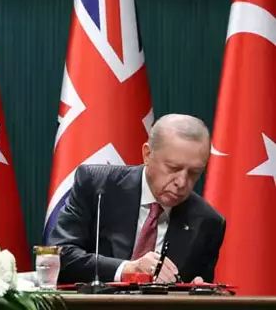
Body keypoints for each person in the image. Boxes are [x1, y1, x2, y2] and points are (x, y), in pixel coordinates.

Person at [49, 113, 226, 285]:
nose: (182, 182)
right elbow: (58, 257)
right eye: (173, 168)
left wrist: (196, 289)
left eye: (194, 173)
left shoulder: (207, 222)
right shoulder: (97, 187)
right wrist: (127, 269)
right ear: (147, 154)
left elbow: (198, 285)